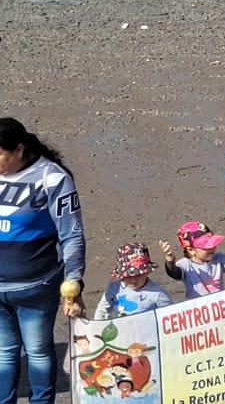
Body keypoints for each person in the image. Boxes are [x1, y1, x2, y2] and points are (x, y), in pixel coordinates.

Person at [0, 118, 86, 404]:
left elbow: (71, 234)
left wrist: (74, 281)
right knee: (4, 353)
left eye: (0, 153)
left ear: (19, 150)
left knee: (37, 352)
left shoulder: (52, 178)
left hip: (36, 286)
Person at [159, 220, 225, 298]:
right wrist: (169, 259)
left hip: (218, 309)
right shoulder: (186, 265)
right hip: (198, 313)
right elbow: (174, 273)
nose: (212, 248)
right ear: (191, 250)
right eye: (206, 247)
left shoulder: (218, 259)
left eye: (213, 243)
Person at [95, 244, 172, 319]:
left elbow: (170, 316)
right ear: (121, 275)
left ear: (146, 272)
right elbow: (102, 311)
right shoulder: (114, 289)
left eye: (138, 275)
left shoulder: (158, 294)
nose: (133, 280)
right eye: (128, 276)